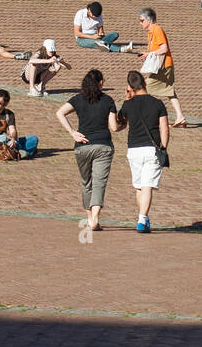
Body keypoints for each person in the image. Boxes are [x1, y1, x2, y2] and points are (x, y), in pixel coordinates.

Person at [56, 69, 117, 232]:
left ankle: (90, 218)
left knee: (86, 183)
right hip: (103, 145)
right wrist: (123, 123)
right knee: (99, 182)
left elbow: (60, 113)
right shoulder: (108, 100)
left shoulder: (78, 99)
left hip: (82, 146)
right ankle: (95, 217)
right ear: (100, 83)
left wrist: (72, 133)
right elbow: (113, 126)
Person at [113, 70, 169, 233]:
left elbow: (121, 121)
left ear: (130, 87)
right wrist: (163, 147)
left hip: (134, 149)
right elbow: (164, 128)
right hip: (151, 149)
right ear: (145, 82)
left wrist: (126, 99)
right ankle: (142, 219)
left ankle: (143, 218)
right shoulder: (157, 103)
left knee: (139, 187)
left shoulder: (128, 104)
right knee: (147, 186)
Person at [137, 8, 186, 127]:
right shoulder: (152, 32)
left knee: (143, 87)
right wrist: (147, 54)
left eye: (141, 20)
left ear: (149, 20)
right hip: (163, 66)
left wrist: (149, 54)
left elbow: (164, 49)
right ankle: (180, 117)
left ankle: (147, 116)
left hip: (164, 66)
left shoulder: (157, 30)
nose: (140, 22)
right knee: (169, 90)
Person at [0, 90, 39, 159]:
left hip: (6, 142)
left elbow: (13, 130)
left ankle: (7, 152)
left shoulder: (9, 114)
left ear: (5, 104)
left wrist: (13, 139)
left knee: (33, 139)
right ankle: (19, 153)